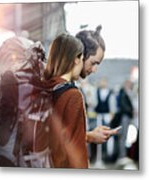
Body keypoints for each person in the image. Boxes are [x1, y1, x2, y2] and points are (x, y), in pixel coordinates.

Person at [44, 33, 88, 168]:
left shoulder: (43, 87)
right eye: (82, 58)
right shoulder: (73, 95)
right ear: (76, 59)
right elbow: (74, 146)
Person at [76, 25, 118, 144]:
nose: (94, 70)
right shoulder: (67, 89)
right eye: (93, 63)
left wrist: (89, 134)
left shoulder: (74, 87)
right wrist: (89, 137)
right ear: (80, 55)